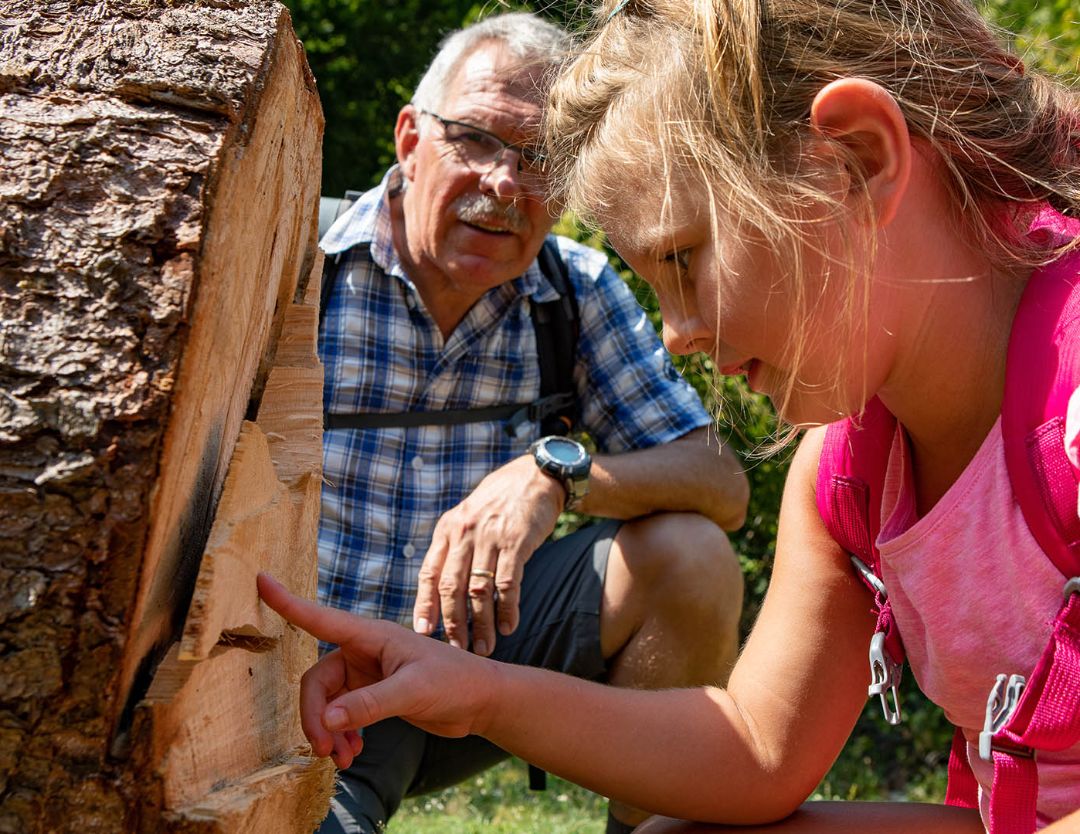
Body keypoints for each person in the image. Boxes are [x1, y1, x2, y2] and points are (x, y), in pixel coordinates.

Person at [261, 0, 1080, 830]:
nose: (679, 334)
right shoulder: (848, 470)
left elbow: (707, 483)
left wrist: (558, 479)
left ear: (857, 161)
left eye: (683, 259)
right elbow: (758, 748)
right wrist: (480, 692)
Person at [313, 11, 750, 834]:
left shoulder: (573, 289)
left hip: (481, 661)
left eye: (541, 157)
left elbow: (720, 482)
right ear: (410, 140)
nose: (507, 183)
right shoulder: (296, 270)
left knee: (690, 557)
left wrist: (557, 475)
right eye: (476, 138)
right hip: (310, 682)